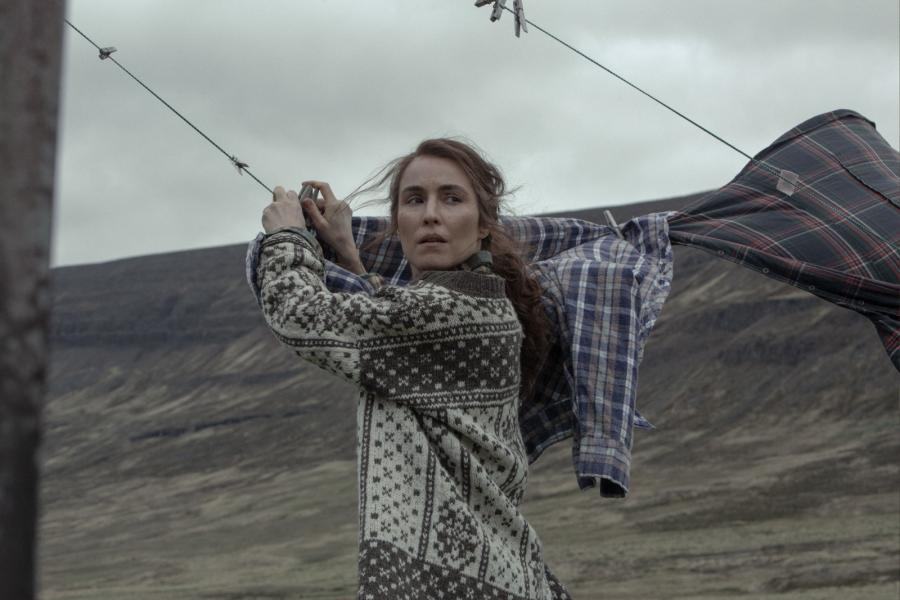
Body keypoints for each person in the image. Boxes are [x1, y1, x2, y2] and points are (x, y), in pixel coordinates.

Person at [254, 138, 573, 599]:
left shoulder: (455, 311)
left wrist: (286, 235)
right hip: (487, 574)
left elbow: (299, 314)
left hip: (461, 582)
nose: (430, 215)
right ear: (397, 222)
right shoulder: (474, 303)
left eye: (452, 198)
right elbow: (392, 321)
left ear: (484, 223)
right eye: (414, 200)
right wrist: (348, 256)